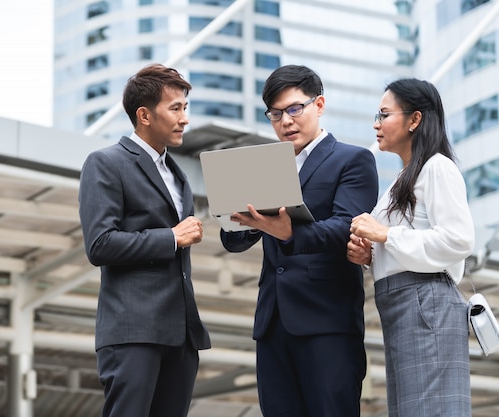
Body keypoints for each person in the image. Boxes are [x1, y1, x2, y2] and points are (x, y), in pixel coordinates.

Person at [220, 64, 379, 417]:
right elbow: (231, 240)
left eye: (295, 109)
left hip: (327, 322)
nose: (285, 121)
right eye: (275, 114)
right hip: (273, 323)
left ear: (319, 104)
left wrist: (288, 232)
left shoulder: (352, 160)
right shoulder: (261, 165)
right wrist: (244, 222)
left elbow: (346, 227)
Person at [78, 63, 211, 417]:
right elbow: (100, 244)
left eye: (186, 108)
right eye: (176, 108)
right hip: (133, 330)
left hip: (181, 335)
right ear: (144, 115)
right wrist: (170, 237)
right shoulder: (106, 163)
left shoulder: (178, 173)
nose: (185, 118)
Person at [347, 78, 475, 417]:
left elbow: (459, 239)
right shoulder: (401, 180)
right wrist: (370, 255)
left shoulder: (437, 167)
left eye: (384, 114)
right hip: (405, 304)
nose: (376, 123)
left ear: (414, 120)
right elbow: (406, 242)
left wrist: (385, 236)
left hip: (425, 302)